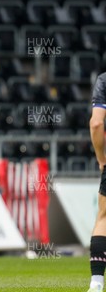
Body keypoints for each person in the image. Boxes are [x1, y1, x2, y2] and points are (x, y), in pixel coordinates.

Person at [88, 72, 106, 292]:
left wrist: (101, 156)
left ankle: (97, 283)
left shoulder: (104, 80)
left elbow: (96, 123)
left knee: (104, 218)